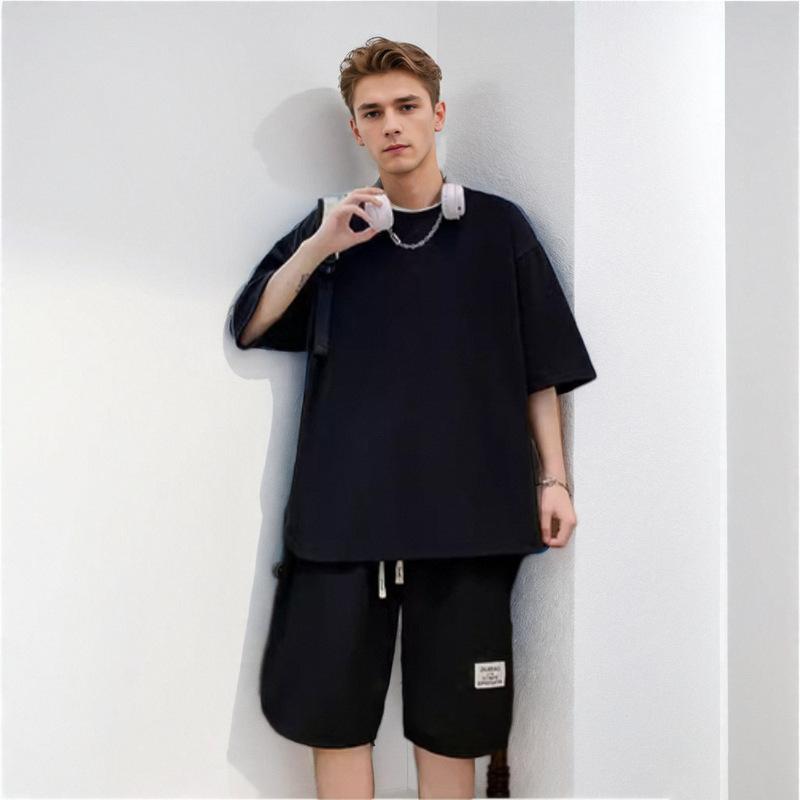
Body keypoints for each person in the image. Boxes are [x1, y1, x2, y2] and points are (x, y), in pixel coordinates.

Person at [227, 36, 597, 800]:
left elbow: (539, 367)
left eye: (406, 106)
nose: (391, 124)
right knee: (334, 718)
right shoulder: (334, 232)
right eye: (373, 113)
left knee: (452, 725)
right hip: (342, 520)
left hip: (468, 518)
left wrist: (554, 479)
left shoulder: (498, 230)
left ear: (438, 113)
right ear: (355, 130)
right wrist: (322, 245)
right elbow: (253, 323)